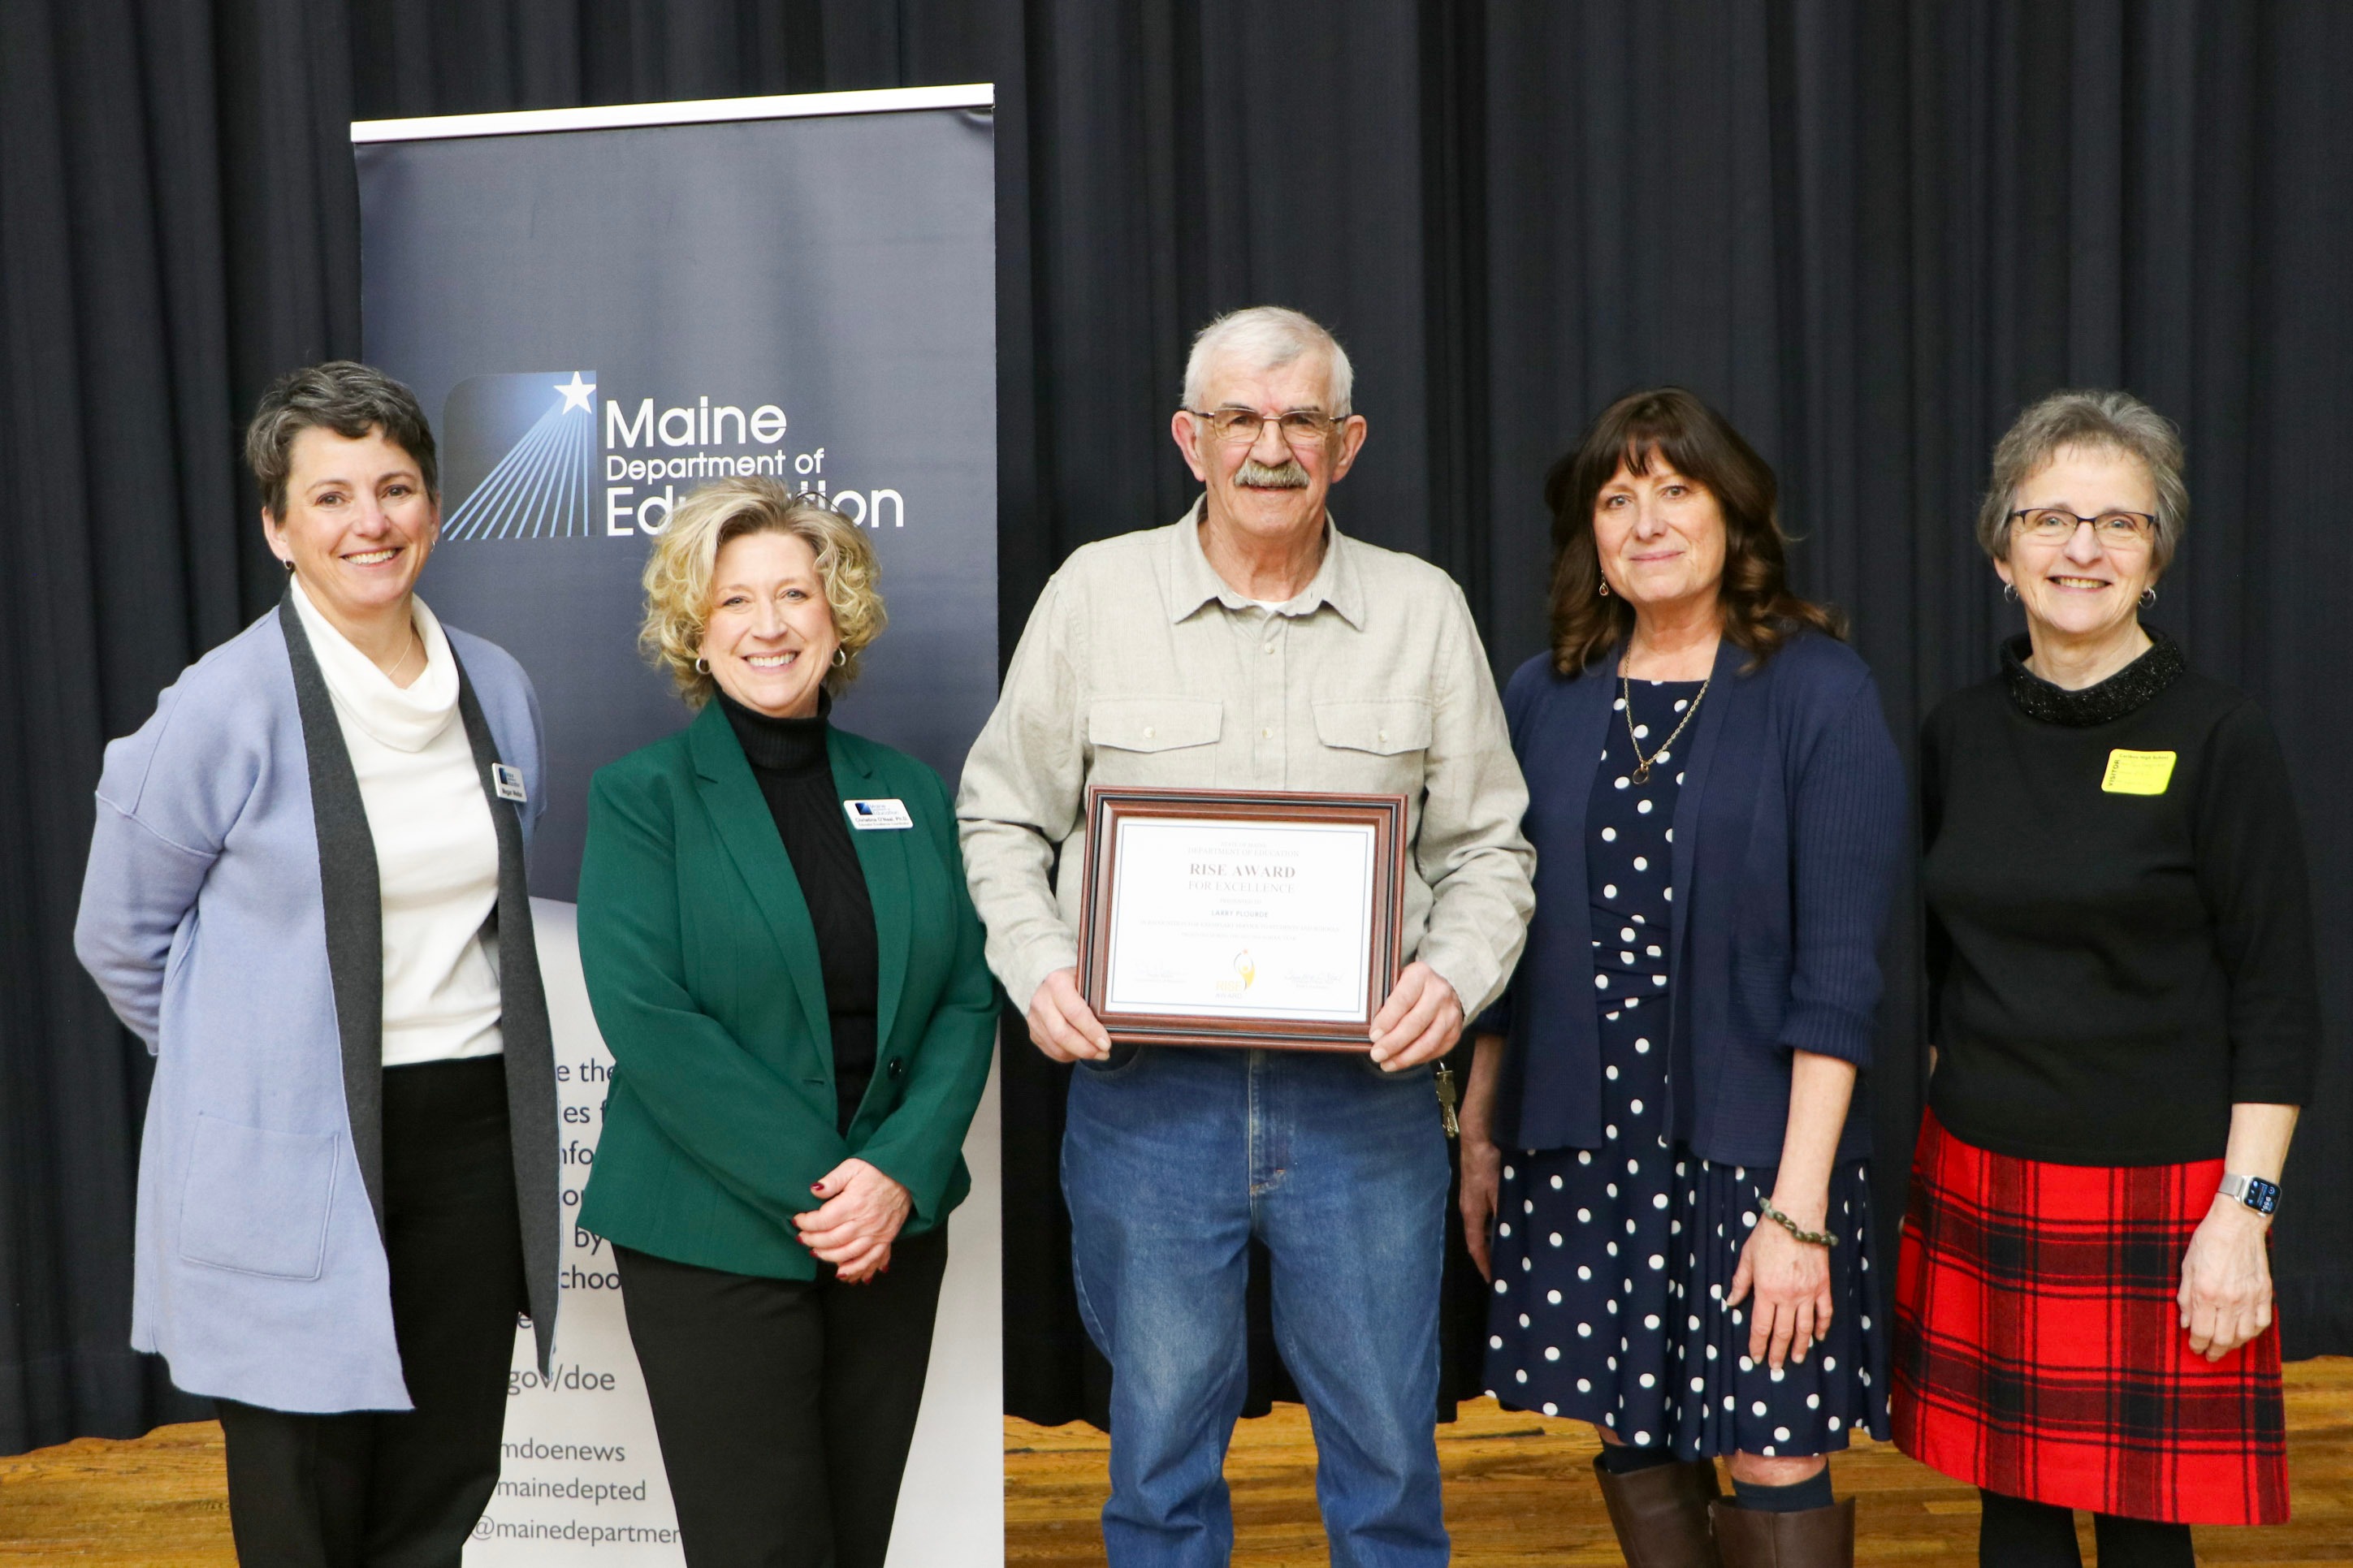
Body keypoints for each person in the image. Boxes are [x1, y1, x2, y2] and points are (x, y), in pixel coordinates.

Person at [958, 305, 1536, 1566]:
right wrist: (1040, 966)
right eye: (1240, 419)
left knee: (1387, 1463)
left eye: (1300, 421)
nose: (1269, 447)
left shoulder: (1420, 611)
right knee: (1159, 1465)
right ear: (1190, 437)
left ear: (1347, 442)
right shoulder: (1094, 596)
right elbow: (999, 817)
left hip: (1365, 1111)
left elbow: (1489, 848)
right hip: (1147, 1109)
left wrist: (1451, 978)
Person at [74, 361, 560, 1564]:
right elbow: (119, 938)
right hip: (294, 1152)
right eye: (331, 497)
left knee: (444, 1478)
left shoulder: (496, 686)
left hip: (469, 1139)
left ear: (435, 511)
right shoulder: (222, 706)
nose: (371, 523)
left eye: (394, 489)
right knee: (306, 1496)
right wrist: (245, 1065)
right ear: (278, 527)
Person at [1456, 387, 1905, 1567]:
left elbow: (1840, 977)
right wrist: (1479, 1129)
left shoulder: (1817, 692)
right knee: (1631, 1430)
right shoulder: (1540, 694)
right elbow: (1502, 937)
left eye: (1674, 490)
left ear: (1730, 516)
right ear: (1588, 536)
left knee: (1770, 1445)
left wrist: (1796, 1213)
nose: (1644, 521)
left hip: (1758, 1160)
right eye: (1616, 498)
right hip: (1581, 1146)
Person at [1892, 391, 2317, 1568]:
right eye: (2050, 519)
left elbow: (2277, 996)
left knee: (2142, 1539)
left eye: (2118, 524)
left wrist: (2244, 1216)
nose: (2081, 549)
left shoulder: (2218, 736)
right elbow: (1930, 966)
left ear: (2155, 557)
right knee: (2009, 1520)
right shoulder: (1956, 733)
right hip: (1983, 1174)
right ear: (1999, 549)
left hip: (2162, 1194)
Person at [574, 477, 997, 1568]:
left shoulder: (906, 789)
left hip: (888, 1230)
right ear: (693, 631)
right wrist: (834, 1191)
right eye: (733, 603)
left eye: (794, 594)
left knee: (856, 1543)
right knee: (759, 1549)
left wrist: (894, 1174)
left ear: (836, 613)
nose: (768, 625)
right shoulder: (643, 796)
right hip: (712, 1232)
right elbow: (651, 1020)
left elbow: (963, 991)